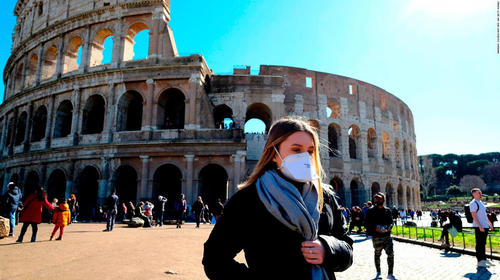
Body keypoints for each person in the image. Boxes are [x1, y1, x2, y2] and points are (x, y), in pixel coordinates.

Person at [203, 118, 353, 279]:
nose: (305, 157)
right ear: (274, 154)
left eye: (310, 151)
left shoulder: (325, 196)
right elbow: (214, 259)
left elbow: (347, 247)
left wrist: (328, 248)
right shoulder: (248, 200)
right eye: (296, 150)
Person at [365, 192, 396, 280]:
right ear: (375, 200)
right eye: (377, 199)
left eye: (380, 198)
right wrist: (375, 228)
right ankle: (378, 272)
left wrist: (390, 227)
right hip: (376, 237)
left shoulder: (387, 210)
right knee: (377, 254)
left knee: (391, 254)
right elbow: (367, 223)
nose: (379, 200)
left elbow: (391, 221)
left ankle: (390, 273)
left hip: (387, 236)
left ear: (383, 200)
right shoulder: (370, 211)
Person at [470, 188, 495, 267]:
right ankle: (480, 261)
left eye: (480, 193)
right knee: (479, 244)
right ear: (474, 194)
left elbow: (484, 215)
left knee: (483, 244)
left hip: (485, 226)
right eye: (478, 193)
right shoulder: (473, 203)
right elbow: (474, 216)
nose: (481, 194)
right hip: (479, 227)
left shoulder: (480, 203)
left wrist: (490, 224)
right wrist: (480, 226)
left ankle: (483, 259)